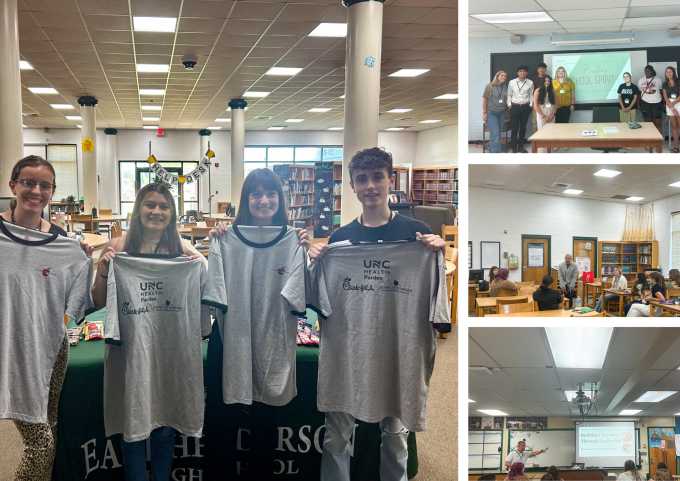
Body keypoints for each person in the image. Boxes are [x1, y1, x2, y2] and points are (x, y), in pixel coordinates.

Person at [0, 155, 93, 480]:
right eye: (28, 182)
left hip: (52, 350)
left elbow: (78, 302)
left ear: (52, 192)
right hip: (10, 353)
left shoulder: (62, 243)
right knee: (39, 441)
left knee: (49, 423)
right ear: (13, 185)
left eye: (45, 185)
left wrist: (82, 258)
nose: (36, 190)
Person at [307, 147, 445, 481]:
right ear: (353, 186)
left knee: (396, 437)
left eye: (377, 177)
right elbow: (315, 302)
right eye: (362, 179)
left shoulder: (417, 235)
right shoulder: (339, 240)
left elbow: (437, 307)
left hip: (398, 351)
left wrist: (438, 253)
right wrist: (316, 258)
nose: (371, 186)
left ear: (390, 180)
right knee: (337, 434)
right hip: (347, 351)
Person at [91, 182, 204, 481]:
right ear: (138, 209)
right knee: (133, 426)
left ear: (171, 213)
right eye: (150, 204)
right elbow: (97, 301)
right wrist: (103, 271)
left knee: (165, 425)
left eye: (164, 206)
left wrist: (198, 265)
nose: (156, 211)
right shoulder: (116, 246)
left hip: (167, 350)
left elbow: (206, 281)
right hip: (128, 348)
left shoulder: (182, 250)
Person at [205, 168, 308, 479]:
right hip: (230, 340)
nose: (263, 200)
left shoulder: (293, 241)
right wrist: (217, 240)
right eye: (256, 194)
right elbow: (214, 295)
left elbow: (299, 299)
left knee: (265, 425)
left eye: (270, 193)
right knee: (223, 424)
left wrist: (304, 247)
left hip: (272, 342)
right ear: (246, 200)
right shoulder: (224, 239)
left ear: (280, 199)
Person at [507, 65, 534, 153]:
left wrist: (530, 105)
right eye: (521, 71)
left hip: (525, 107)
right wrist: (509, 105)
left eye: (524, 71)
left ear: (527, 73)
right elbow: (509, 94)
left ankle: (521, 147)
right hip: (514, 107)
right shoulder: (512, 82)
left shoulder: (530, 82)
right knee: (514, 129)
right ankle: (514, 148)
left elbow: (531, 95)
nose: (522, 72)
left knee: (523, 128)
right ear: (518, 72)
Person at [483, 71, 509, 153]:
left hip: (502, 113)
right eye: (502, 75)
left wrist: (507, 110)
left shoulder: (504, 86)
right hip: (491, 114)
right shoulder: (489, 86)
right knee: (495, 134)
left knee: (496, 135)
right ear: (497, 76)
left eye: (505, 76)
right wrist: (484, 113)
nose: (503, 77)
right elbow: (484, 100)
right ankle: (497, 156)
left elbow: (506, 100)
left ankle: (492, 154)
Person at [663, 66, 680, 153]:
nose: (668, 74)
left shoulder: (679, 81)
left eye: (670, 72)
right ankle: (676, 147)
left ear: (673, 73)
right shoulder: (664, 84)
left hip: (679, 103)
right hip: (669, 105)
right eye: (667, 72)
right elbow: (665, 97)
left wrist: (672, 104)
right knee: (674, 126)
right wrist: (671, 107)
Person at [638, 65, 664, 143]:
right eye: (646, 70)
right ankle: (649, 142)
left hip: (657, 103)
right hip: (645, 103)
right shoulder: (640, 80)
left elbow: (662, 93)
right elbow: (640, 93)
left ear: (653, 71)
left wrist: (663, 104)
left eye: (649, 70)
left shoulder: (658, 80)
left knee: (657, 123)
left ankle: (657, 142)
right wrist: (638, 104)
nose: (647, 72)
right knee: (647, 124)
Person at [552, 66, 575, 151]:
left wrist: (573, 104)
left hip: (567, 106)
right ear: (556, 73)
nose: (561, 73)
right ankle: (557, 144)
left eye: (562, 71)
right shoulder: (552, 82)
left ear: (565, 73)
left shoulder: (569, 81)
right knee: (557, 126)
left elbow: (573, 94)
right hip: (556, 107)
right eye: (559, 71)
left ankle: (566, 143)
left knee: (566, 125)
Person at [534, 75, 557, 153]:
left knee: (551, 134)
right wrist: (543, 117)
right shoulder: (537, 90)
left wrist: (553, 114)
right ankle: (542, 153)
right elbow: (535, 106)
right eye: (545, 81)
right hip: (542, 117)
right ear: (542, 82)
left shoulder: (553, 90)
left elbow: (556, 103)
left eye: (548, 81)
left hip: (551, 116)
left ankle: (550, 152)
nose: (547, 82)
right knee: (542, 135)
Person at [531, 62, 548, 135]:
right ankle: (536, 141)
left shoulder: (548, 79)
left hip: (547, 104)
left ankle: (546, 140)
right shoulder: (532, 79)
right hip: (536, 104)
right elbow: (530, 92)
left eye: (543, 68)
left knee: (547, 121)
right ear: (537, 70)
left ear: (546, 70)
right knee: (535, 122)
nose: (542, 70)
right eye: (540, 68)